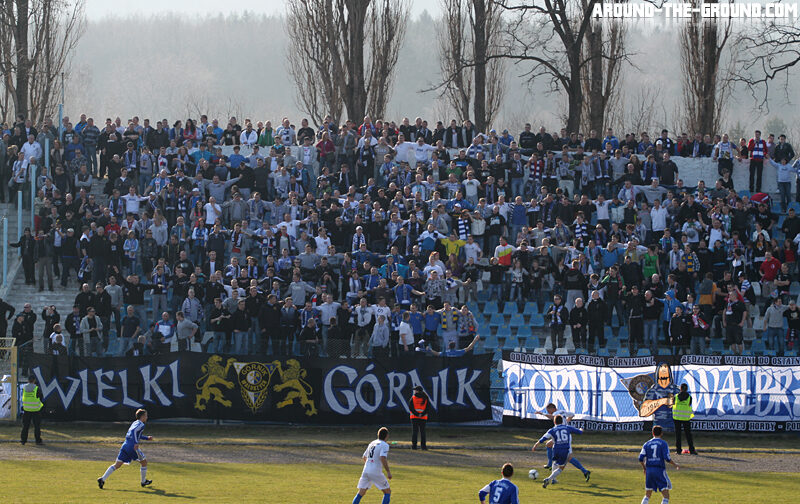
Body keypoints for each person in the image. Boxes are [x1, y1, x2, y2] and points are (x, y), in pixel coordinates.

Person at [97, 408, 154, 489]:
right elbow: (134, 432)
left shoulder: (135, 423)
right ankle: (143, 481)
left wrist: (146, 438)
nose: (147, 417)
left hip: (125, 445)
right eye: (146, 415)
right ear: (142, 416)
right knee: (144, 462)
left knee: (117, 464)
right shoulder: (141, 424)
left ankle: (102, 479)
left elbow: (135, 434)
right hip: (132, 447)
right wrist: (135, 443)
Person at [536, 403, 591, 480]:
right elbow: (572, 414)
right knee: (549, 444)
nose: (548, 412)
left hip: (563, 436)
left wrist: (542, 413)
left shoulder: (555, 413)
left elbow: (552, 417)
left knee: (569, 458)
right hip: (562, 433)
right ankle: (550, 466)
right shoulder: (562, 411)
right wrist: (567, 422)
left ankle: (585, 471)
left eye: (548, 411)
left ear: (552, 408)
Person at [532, 414, 584, 488]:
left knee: (555, 463)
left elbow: (544, 438)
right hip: (564, 450)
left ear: (554, 422)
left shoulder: (552, 430)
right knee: (561, 467)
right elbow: (580, 432)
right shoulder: (567, 427)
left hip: (556, 449)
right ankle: (548, 479)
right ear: (562, 421)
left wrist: (536, 445)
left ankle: (553, 479)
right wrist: (581, 429)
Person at [639, 425, 680, 504]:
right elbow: (667, 458)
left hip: (649, 470)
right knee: (666, 495)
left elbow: (640, 458)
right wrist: (675, 464)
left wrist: (644, 468)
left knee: (648, 494)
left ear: (652, 433)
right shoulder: (663, 443)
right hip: (659, 470)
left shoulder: (647, 444)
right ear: (661, 433)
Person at [353, 426, 392, 504]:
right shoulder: (384, 445)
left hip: (366, 470)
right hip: (375, 471)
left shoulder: (372, 443)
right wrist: (388, 471)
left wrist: (369, 465)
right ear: (387, 436)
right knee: (387, 492)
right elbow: (383, 457)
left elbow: (364, 457)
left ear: (378, 435)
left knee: (361, 492)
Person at [672, 383, 697, 455]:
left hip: (676, 418)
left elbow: (673, 405)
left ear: (680, 388)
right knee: (688, 435)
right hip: (686, 418)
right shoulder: (689, 398)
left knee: (678, 434)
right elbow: (689, 405)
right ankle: (691, 450)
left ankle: (678, 450)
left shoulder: (675, 397)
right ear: (687, 389)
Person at [20, 375, 44, 445]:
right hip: (36, 410)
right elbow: (41, 398)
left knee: (25, 426)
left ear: (28, 380)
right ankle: (38, 441)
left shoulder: (24, 388)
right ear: (34, 380)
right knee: (37, 426)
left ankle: (23, 440)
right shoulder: (37, 388)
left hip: (26, 409)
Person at [408, 385, 430, 450]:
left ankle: (414, 446)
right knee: (422, 432)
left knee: (415, 432)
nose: (414, 391)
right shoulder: (426, 398)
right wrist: (422, 414)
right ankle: (423, 446)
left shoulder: (413, 398)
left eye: (415, 390)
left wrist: (417, 414)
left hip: (414, 417)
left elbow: (410, 407)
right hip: (423, 417)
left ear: (418, 391)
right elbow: (428, 408)